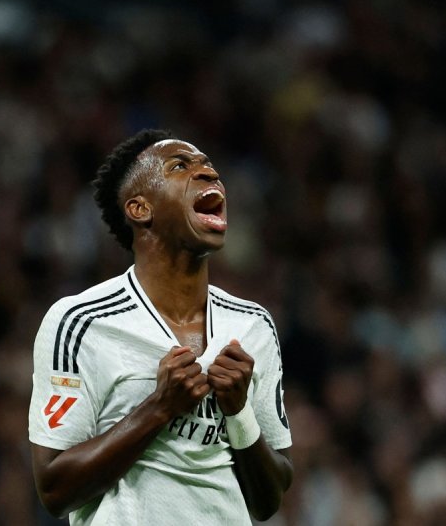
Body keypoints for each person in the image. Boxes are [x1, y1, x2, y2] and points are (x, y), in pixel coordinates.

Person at [28, 130, 293, 525]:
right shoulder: (80, 322)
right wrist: (159, 407)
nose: (208, 174)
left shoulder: (253, 325)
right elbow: (54, 489)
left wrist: (239, 413)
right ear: (139, 208)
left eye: (209, 167)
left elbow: (268, 500)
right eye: (181, 166)